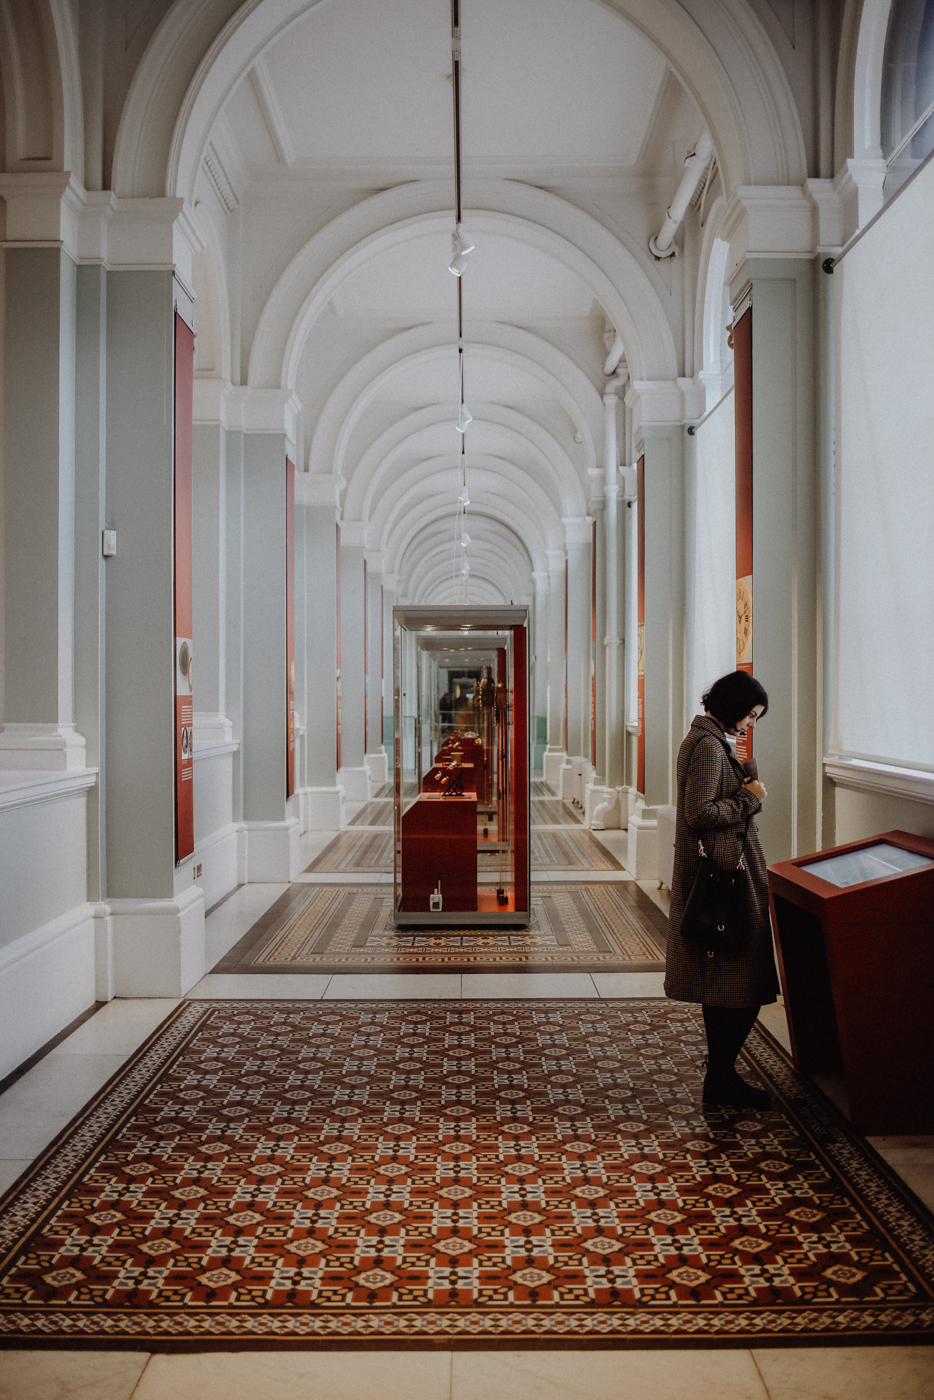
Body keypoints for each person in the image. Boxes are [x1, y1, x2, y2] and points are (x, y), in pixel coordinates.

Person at [663, 670, 779, 1109]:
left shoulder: (711, 741)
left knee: (733, 983)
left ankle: (721, 1075)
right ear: (733, 705)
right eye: (750, 714)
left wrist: (747, 775)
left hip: (724, 867)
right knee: (745, 983)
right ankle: (721, 1076)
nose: (751, 724)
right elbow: (698, 813)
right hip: (723, 872)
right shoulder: (709, 746)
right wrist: (751, 797)